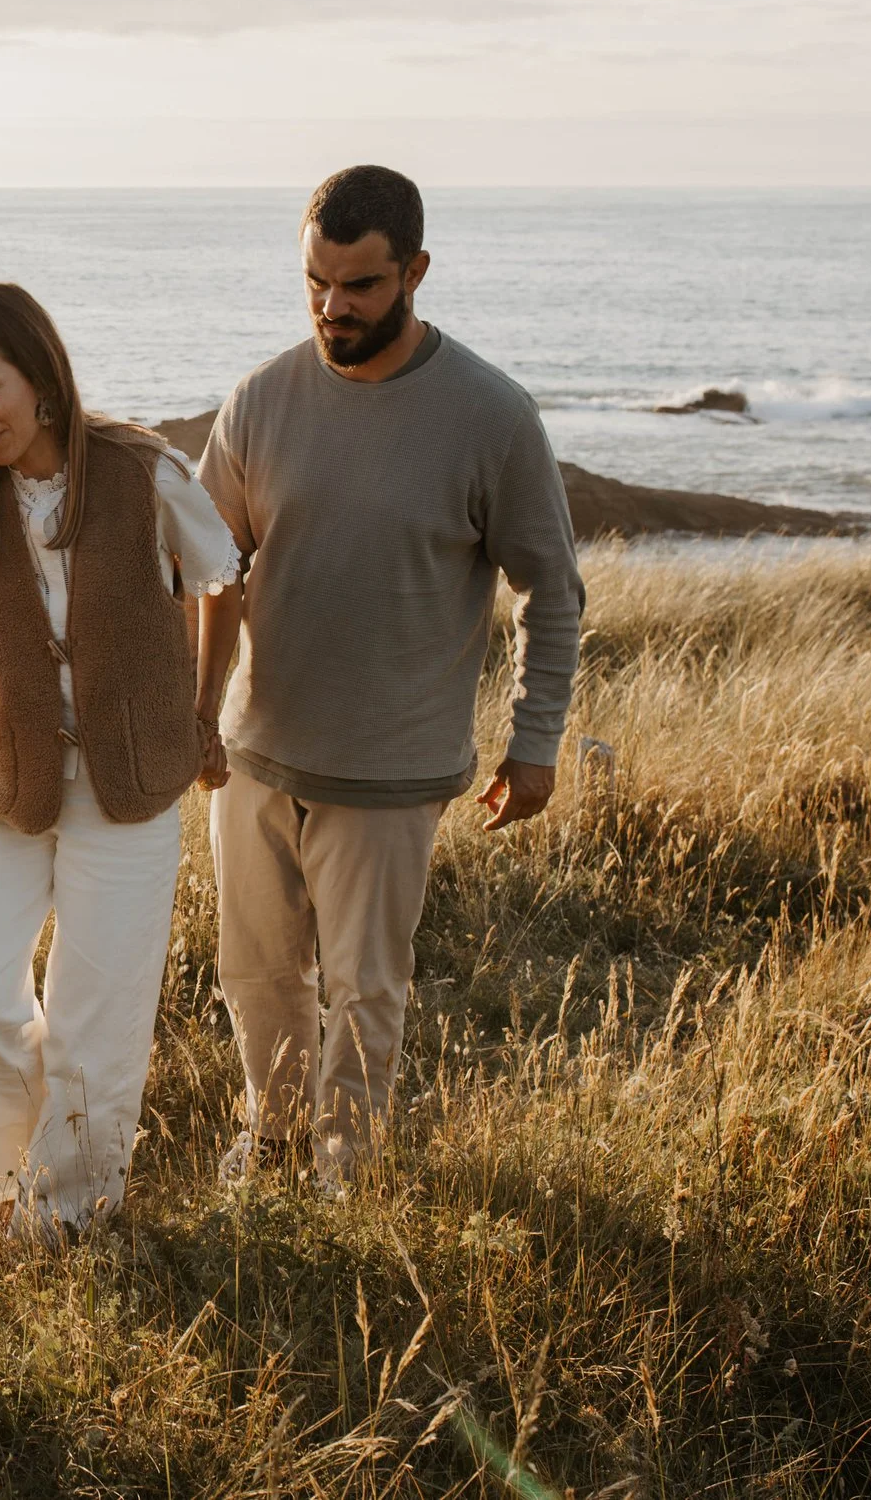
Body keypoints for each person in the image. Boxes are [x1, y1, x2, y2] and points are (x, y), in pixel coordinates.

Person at [192, 165, 585, 1192]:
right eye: (315, 282)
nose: (333, 307)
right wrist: (193, 714)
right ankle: (271, 1141)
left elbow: (551, 587)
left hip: (392, 767)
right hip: (253, 753)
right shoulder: (259, 399)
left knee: (368, 987)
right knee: (256, 973)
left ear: (414, 270)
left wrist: (534, 740)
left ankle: (340, 1170)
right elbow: (202, 571)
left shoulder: (492, 416)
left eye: (359, 285)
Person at [0, 282, 240, 1243]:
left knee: (99, 1015)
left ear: (41, 374)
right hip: (6, 779)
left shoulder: (144, 471)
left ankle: (66, 1216)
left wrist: (204, 711)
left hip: (131, 782)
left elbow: (221, 579)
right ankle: (21, 1172)